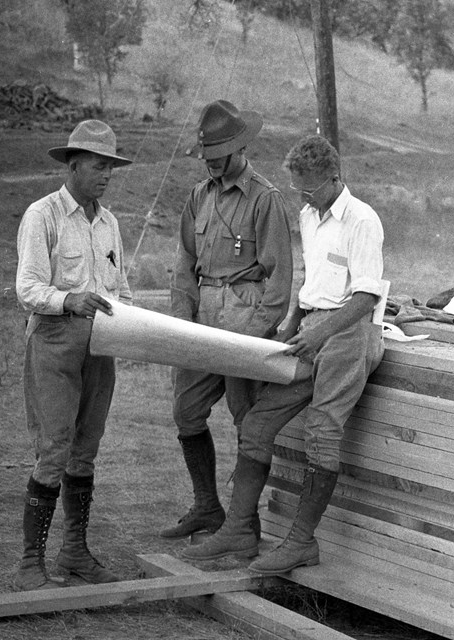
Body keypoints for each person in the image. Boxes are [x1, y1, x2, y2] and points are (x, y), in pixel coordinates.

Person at [182, 134, 385, 573]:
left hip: (350, 335)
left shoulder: (362, 220)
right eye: (298, 189)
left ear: (334, 179)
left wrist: (319, 333)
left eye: (309, 189)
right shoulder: (311, 216)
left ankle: (300, 542)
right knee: (256, 423)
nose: (303, 197)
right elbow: (312, 280)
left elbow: (367, 296)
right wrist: (293, 324)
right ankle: (239, 530)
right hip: (313, 329)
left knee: (322, 430)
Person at [161, 100, 293, 541]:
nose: (211, 165)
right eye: (206, 157)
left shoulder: (264, 198)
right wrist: (182, 323)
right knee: (186, 412)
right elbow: (184, 262)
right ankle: (206, 507)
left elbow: (279, 282)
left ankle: (243, 523)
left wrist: (252, 339)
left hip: (244, 316)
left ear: (239, 149)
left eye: (217, 156)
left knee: (247, 420)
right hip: (202, 319)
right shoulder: (199, 196)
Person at [13, 120, 132, 591]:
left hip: (102, 348)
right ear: (75, 166)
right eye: (99, 167)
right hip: (55, 344)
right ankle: (29, 565)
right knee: (54, 451)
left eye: (111, 168)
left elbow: (120, 290)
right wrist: (69, 300)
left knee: (86, 451)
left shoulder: (109, 222)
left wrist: (134, 326)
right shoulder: (42, 215)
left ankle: (75, 553)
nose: (106, 175)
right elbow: (27, 289)